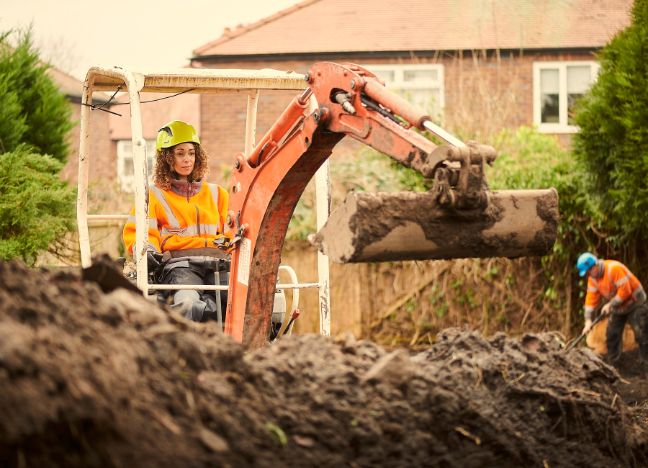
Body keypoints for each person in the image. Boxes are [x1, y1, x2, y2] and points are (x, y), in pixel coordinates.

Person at [123, 120, 231, 323]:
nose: (187, 159)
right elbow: (140, 233)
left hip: (219, 263)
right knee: (187, 303)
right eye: (180, 153)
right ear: (166, 157)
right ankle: (187, 349)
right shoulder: (153, 195)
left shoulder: (218, 194)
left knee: (239, 299)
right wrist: (148, 251)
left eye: (191, 153)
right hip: (180, 266)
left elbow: (233, 234)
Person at [577, 252, 648, 362]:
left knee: (641, 332)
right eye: (587, 273)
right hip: (619, 306)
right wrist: (587, 321)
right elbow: (590, 300)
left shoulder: (613, 269)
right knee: (612, 335)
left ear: (595, 265)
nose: (589, 274)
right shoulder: (593, 279)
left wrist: (610, 304)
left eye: (589, 271)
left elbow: (625, 291)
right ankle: (614, 365)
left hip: (635, 302)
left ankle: (645, 364)